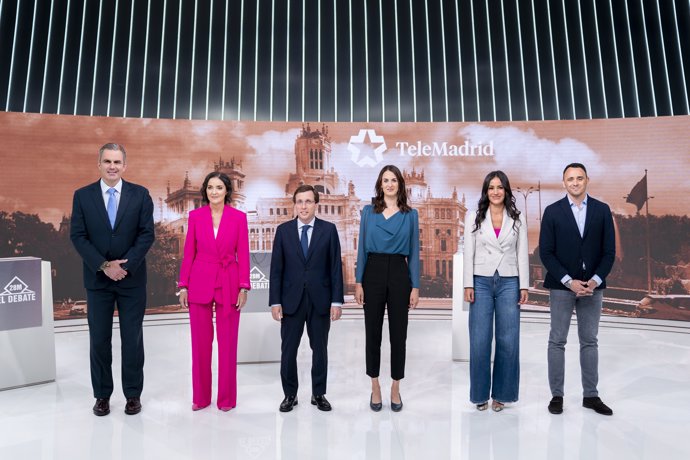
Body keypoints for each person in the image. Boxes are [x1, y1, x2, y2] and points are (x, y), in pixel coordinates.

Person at [70, 143, 155, 416]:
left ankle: (132, 395)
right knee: (99, 340)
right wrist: (105, 266)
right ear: (99, 164)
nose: (112, 166)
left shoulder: (140, 195)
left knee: (133, 340)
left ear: (124, 165)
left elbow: (146, 235)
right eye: (107, 161)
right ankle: (102, 396)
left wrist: (123, 267)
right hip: (98, 281)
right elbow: (78, 236)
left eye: (117, 162)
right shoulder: (82, 196)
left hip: (131, 280)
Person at [540, 163, 615, 416]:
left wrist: (594, 280)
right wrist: (567, 281)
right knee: (557, 341)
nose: (574, 182)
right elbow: (546, 253)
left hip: (593, 287)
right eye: (570, 179)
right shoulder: (552, 212)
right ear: (564, 183)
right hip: (562, 287)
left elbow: (609, 253)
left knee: (590, 341)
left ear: (587, 180)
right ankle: (557, 396)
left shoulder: (603, 210)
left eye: (579, 178)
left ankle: (591, 396)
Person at [178, 172, 250, 411]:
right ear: (205, 191)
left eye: (219, 187)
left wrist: (243, 286)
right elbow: (189, 253)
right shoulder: (195, 217)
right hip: (199, 281)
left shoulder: (239, 218)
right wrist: (183, 285)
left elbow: (244, 254)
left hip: (230, 281)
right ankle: (200, 397)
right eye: (210, 187)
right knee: (200, 344)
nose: (214, 192)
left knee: (228, 343)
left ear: (227, 190)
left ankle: (227, 399)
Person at [269, 184, 344, 413]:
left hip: (320, 300)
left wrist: (336, 301)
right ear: (295, 204)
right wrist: (275, 301)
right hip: (291, 300)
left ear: (316, 204)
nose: (303, 206)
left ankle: (318, 393)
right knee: (288, 350)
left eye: (308, 201)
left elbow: (334, 268)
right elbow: (276, 270)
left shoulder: (329, 230)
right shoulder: (283, 231)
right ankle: (289, 395)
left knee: (320, 350)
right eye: (299, 201)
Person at [355, 165, 420, 413]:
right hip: (372, 271)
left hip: (399, 274)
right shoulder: (368, 212)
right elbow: (361, 249)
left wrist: (415, 286)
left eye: (394, 180)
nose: (390, 184)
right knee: (372, 333)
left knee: (398, 335)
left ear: (400, 184)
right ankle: (375, 386)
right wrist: (359, 282)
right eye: (385, 180)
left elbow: (414, 253)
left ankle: (395, 386)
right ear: (380, 184)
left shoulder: (410, 215)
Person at [463, 171, 529, 412]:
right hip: (480, 280)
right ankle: (479, 394)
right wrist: (467, 284)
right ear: (486, 191)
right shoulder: (473, 217)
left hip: (510, 281)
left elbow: (522, 252)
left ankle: (501, 394)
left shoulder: (518, 218)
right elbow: (468, 251)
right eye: (491, 187)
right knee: (479, 340)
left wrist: (524, 285)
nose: (495, 191)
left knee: (508, 340)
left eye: (500, 187)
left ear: (506, 190)